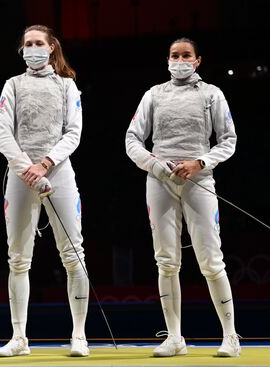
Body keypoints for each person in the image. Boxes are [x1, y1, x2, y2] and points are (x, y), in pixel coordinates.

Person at [125, 37, 240, 357]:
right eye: (174, 55)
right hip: (160, 182)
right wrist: (157, 165)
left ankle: (230, 336)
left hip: (199, 181)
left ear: (197, 60)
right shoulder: (154, 94)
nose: (179, 59)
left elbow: (228, 140)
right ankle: (175, 338)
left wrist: (200, 162)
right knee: (166, 262)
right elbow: (132, 139)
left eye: (186, 55)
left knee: (211, 261)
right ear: (167, 59)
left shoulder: (211, 94)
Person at [0, 25, 89, 357]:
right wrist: (28, 169)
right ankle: (19, 337)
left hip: (59, 174)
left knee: (73, 254)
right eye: (27, 44)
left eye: (38, 43)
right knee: (18, 258)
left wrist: (46, 163)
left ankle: (79, 334)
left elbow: (73, 132)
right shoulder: (13, 85)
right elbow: (3, 133)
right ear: (22, 50)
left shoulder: (67, 86)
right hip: (21, 177)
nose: (32, 48)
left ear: (51, 48)